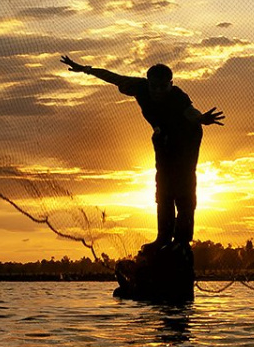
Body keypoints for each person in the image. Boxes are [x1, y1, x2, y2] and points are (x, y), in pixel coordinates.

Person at [61, 56, 223, 249]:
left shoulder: (178, 96)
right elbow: (112, 77)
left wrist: (202, 118)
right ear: (148, 83)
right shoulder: (138, 87)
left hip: (187, 137)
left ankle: (181, 239)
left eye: (163, 87)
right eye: (154, 86)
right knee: (163, 187)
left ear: (170, 84)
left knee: (183, 185)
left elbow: (191, 113)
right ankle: (163, 237)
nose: (158, 91)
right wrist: (85, 69)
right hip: (163, 138)